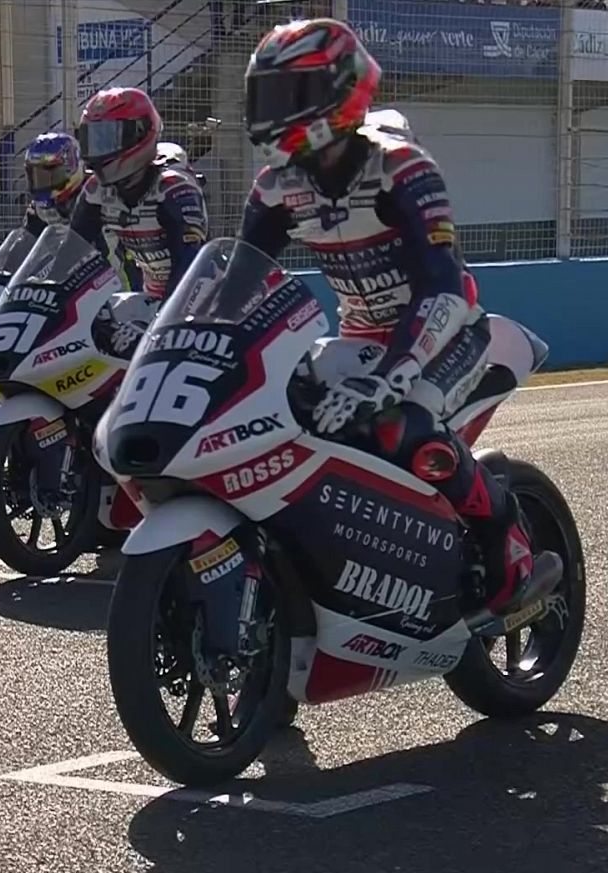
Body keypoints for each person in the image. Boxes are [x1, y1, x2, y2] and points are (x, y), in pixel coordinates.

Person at [233, 16, 561, 629]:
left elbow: (441, 283)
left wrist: (390, 376)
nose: (272, 111)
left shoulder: (401, 168)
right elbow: (238, 282)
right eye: (266, 96)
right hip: (359, 335)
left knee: (406, 429)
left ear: (340, 89)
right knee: (286, 406)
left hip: (450, 331)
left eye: (288, 95)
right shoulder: (278, 186)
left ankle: (512, 558)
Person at [68, 87, 210, 356]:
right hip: (152, 299)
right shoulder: (97, 190)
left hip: (204, 308)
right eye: (94, 139)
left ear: (140, 134)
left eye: (107, 139)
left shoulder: (174, 188)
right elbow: (73, 255)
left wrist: (154, 325)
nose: (99, 151)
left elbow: (189, 265)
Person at [19, 131, 141, 291]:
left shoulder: (98, 197)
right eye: (35, 175)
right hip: (74, 290)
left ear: (71, 168)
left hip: (119, 290)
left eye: (48, 175)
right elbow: (24, 251)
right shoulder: (40, 209)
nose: (40, 183)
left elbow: (97, 254)